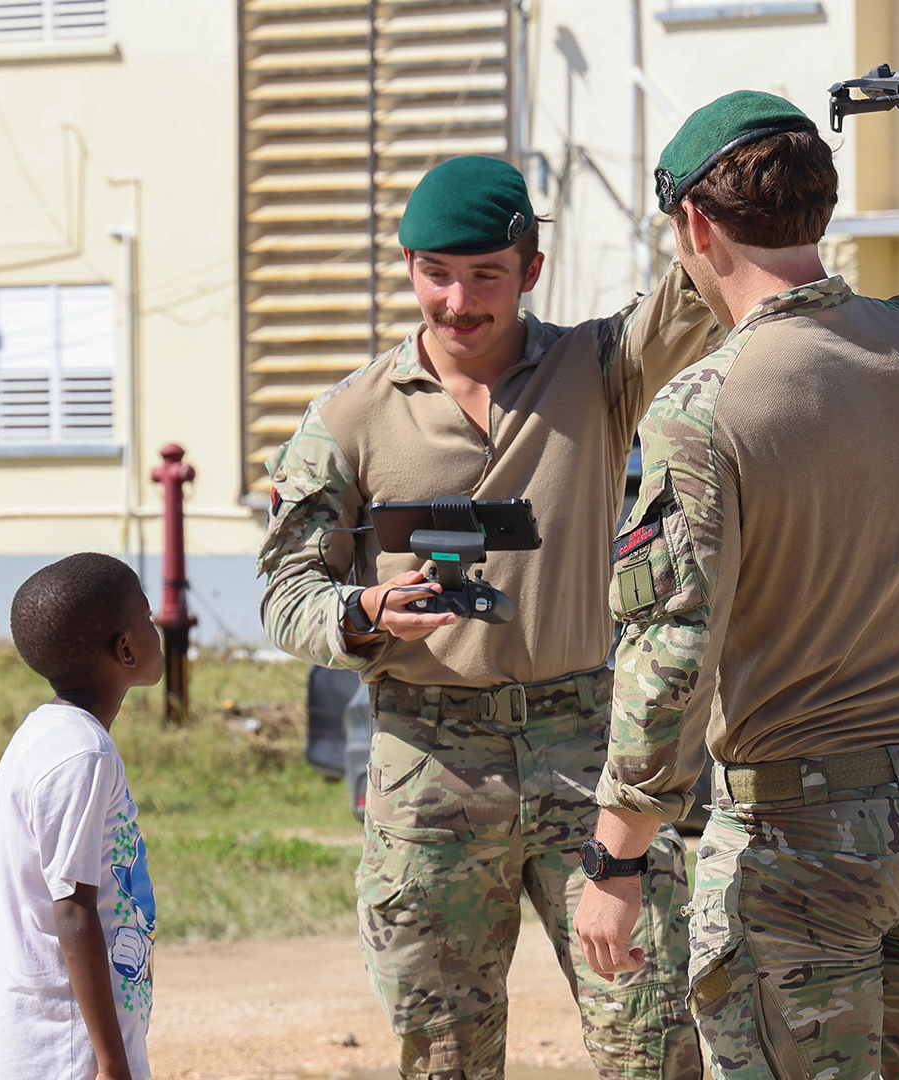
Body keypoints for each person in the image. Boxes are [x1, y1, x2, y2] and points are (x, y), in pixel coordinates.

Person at [574, 91, 899, 1080]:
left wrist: (616, 858)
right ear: (816, 211)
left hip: (798, 839)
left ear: (695, 223)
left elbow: (671, 652)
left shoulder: (701, 408)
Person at [257, 154, 722, 1080]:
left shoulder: (598, 370)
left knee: (651, 1029)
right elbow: (284, 593)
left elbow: (701, 282)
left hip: (587, 748)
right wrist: (364, 613)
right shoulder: (347, 419)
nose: (458, 302)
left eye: (485, 277)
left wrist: (713, 173)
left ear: (531, 270)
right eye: (436, 274)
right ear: (407, 267)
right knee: (443, 1051)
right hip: (429, 762)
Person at [0, 553, 165, 1080]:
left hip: (62, 1043)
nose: (158, 629)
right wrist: (111, 1064)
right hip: (70, 1053)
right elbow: (72, 912)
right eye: (148, 618)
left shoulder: (48, 736)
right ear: (126, 649)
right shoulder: (82, 755)